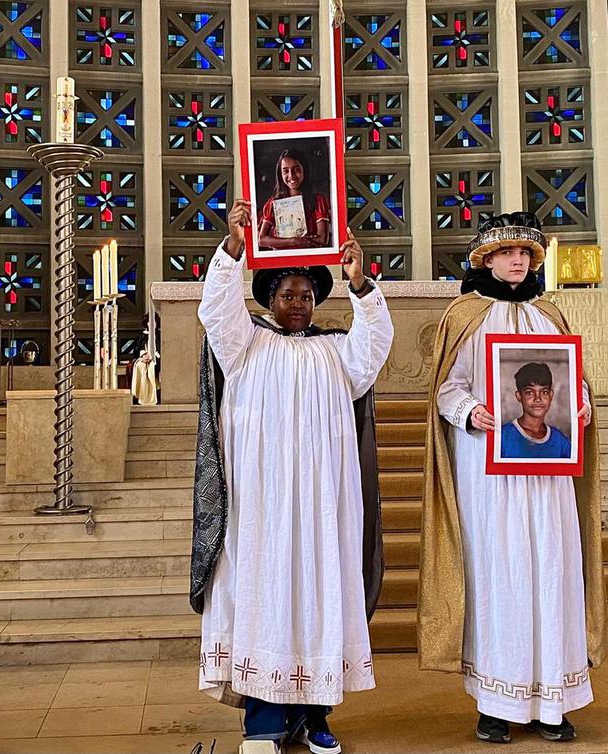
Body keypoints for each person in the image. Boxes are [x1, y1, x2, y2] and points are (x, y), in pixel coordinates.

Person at [192, 198, 393, 753]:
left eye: (306, 296)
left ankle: (316, 715)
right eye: (288, 295)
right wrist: (234, 246)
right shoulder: (244, 344)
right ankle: (263, 722)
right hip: (262, 503)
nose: (298, 304)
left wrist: (359, 283)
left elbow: (375, 342)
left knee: (319, 595)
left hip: (324, 504)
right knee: (263, 594)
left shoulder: (338, 351)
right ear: (270, 300)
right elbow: (215, 310)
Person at [418, 212, 607, 745]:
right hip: (489, 472)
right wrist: (470, 411)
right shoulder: (466, 315)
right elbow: (447, 387)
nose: (517, 261)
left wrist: (581, 405)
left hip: (548, 477)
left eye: (525, 253)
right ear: (486, 259)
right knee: (499, 575)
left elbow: (573, 381)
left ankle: (553, 702)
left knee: (552, 570)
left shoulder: (551, 315)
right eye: (507, 252)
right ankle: (496, 704)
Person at [258, 149, 331, 250]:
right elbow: (261, 240)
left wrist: (279, 242)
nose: (291, 175)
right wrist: (294, 241)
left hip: (309, 258)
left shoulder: (318, 201)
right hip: (281, 259)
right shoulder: (273, 204)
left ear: (304, 170)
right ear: (280, 174)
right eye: (285, 171)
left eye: (296, 170)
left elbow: (322, 239)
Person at [501, 362, 572, 459]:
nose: (538, 399)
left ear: (551, 395)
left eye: (544, 392)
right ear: (519, 396)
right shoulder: (503, 437)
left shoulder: (560, 441)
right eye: (529, 392)